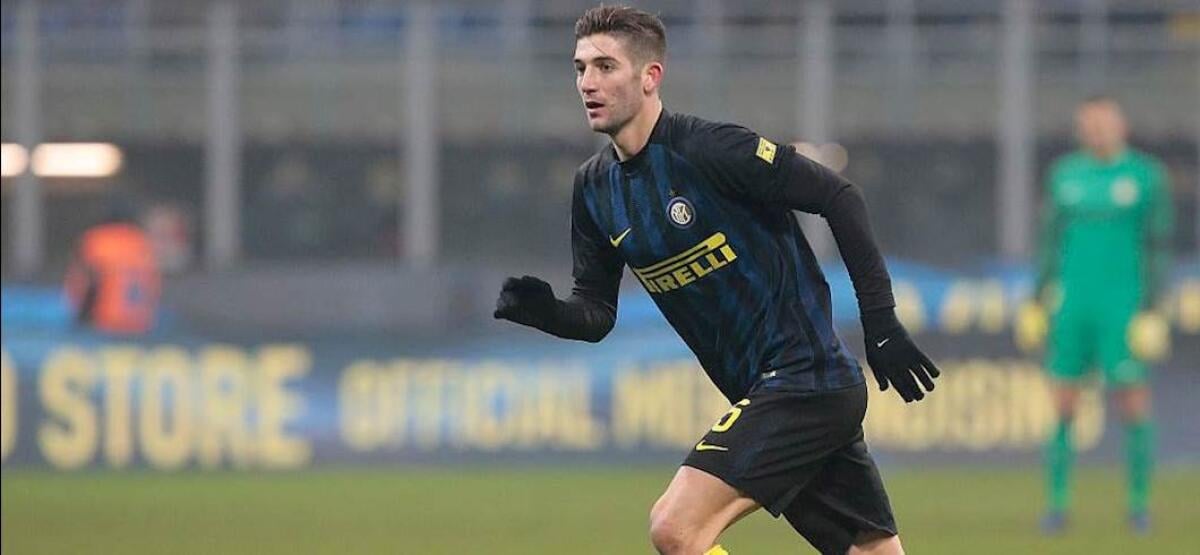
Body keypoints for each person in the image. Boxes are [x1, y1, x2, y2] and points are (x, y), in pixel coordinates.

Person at [493, 6, 938, 554]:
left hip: (804, 380)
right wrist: (548, 313)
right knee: (870, 551)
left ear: (650, 77)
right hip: (775, 393)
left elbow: (838, 195)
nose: (588, 82)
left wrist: (881, 322)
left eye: (606, 66)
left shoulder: (710, 151)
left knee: (675, 528)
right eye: (580, 67)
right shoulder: (594, 190)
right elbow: (596, 313)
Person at [1028, 96, 1174, 535]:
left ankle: (1139, 503)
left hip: (1123, 306)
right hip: (1073, 304)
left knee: (1132, 401)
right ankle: (1057, 504)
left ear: (1121, 124)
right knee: (1064, 403)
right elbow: (1050, 242)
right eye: (1088, 123)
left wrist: (1153, 306)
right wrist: (1039, 298)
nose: (1096, 130)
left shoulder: (1146, 177)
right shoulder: (1065, 175)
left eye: (1104, 122)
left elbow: (1158, 244)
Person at [64, 200, 161, 335]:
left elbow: (88, 281)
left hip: (106, 324)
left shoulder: (99, 239)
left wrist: (81, 319)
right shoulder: (143, 242)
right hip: (141, 326)